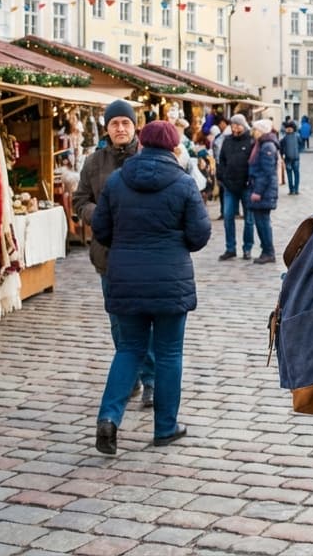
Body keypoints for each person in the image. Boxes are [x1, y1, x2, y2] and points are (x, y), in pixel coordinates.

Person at [92, 120, 211, 454]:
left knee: (129, 348)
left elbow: (101, 229)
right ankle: (165, 427)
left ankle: (109, 419)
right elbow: (200, 235)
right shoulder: (184, 184)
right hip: (170, 279)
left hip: (126, 277)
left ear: (142, 144)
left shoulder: (117, 181)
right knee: (170, 353)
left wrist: (128, 243)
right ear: (174, 148)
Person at [74, 100, 155, 408]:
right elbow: (81, 199)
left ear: (135, 126)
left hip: (143, 255)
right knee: (119, 322)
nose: (120, 128)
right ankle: (129, 377)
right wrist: (99, 214)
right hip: (108, 255)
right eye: (114, 124)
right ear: (106, 128)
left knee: (145, 320)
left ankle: (151, 380)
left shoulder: (148, 158)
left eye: (125, 122)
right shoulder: (94, 162)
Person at [217, 115, 255, 261]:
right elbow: (222, 160)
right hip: (229, 186)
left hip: (246, 186)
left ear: (244, 126)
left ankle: (247, 248)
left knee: (249, 219)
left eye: (238, 125)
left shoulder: (251, 141)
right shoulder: (227, 141)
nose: (235, 128)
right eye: (233, 125)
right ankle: (230, 248)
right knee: (227, 217)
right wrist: (222, 177)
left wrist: (250, 180)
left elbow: (253, 162)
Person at [248, 118, 281, 264]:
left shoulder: (267, 146)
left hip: (263, 192)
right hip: (262, 190)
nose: (253, 132)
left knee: (263, 222)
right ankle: (266, 250)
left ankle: (268, 251)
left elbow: (266, 173)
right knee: (261, 221)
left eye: (255, 129)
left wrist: (258, 192)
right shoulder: (262, 144)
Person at [280, 121, 302, 195]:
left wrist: (298, 151)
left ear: (293, 128)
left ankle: (296, 189)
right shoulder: (284, 137)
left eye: (290, 128)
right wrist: (282, 155)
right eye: (287, 128)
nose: (289, 129)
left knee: (296, 174)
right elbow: (281, 147)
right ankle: (291, 189)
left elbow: (301, 144)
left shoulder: (297, 136)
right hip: (287, 159)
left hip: (296, 158)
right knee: (289, 175)